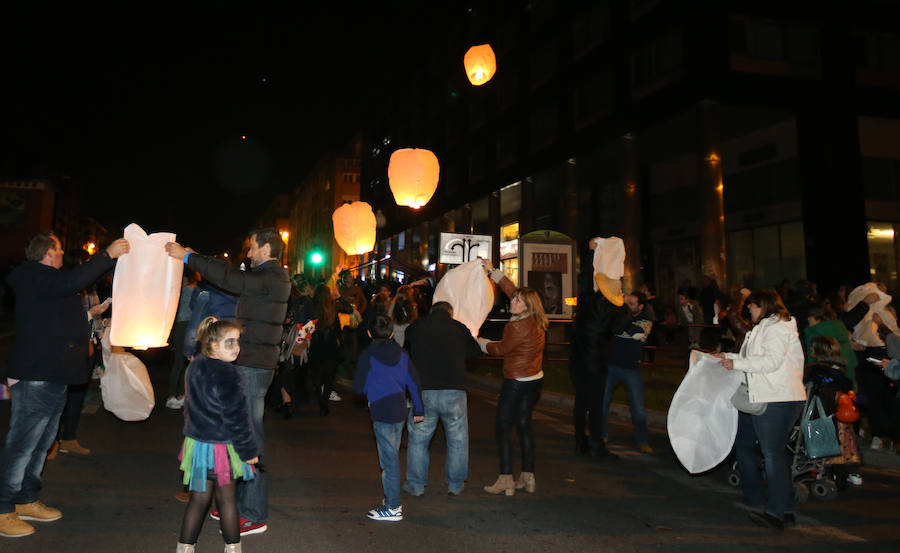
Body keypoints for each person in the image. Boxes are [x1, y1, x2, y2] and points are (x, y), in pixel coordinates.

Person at [0, 231, 129, 538]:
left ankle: (26, 498)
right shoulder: (34, 275)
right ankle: (4, 507)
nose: (62, 255)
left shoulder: (44, 282)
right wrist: (107, 255)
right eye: (58, 250)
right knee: (22, 444)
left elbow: (52, 317)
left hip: (53, 374)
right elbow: (71, 282)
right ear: (48, 253)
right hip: (37, 377)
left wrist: (89, 315)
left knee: (42, 443)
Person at [166, 227, 290, 537]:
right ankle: (234, 501)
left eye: (252, 248)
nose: (248, 254)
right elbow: (232, 277)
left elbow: (230, 278)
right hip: (254, 365)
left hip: (253, 368)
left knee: (249, 437)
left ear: (265, 248)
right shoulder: (270, 278)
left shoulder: (270, 277)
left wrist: (190, 257)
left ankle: (253, 513)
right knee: (238, 437)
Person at [718, 290, 806, 531]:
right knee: (773, 454)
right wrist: (727, 356)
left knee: (773, 455)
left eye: (751, 307)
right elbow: (754, 357)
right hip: (770, 395)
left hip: (777, 397)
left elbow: (770, 361)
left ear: (763, 305)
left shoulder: (778, 327)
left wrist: (736, 363)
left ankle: (776, 513)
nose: (749, 312)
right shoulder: (766, 326)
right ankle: (785, 509)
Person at [176, 317, 259, 553]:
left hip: (198, 444)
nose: (236, 347)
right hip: (223, 447)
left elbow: (188, 405)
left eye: (238, 341)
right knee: (227, 500)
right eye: (229, 342)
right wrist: (249, 451)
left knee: (198, 500)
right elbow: (238, 418)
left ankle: (184, 548)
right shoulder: (229, 374)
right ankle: (233, 548)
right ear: (212, 345)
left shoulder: (194, 366)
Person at [478, 260, 548, 496]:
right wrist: (493, 272)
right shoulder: (536, 318)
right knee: (524, 426)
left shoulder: (517, 327)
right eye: (514, 298)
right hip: (534, 379)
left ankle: (506, 477)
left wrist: (481, 343)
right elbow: (513, 291)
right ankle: (528, 476)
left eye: (517, 301)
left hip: (516, 382)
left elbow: (500, 350)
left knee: (502, 427)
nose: (512, 301)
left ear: (526, 306)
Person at [403, 301, 482, 497]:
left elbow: (407, 350)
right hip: (454, 391)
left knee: (418, 439)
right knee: (457, 439)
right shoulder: (459, 328)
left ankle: (416, 485)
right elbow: (475, 352)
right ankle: (455, 484)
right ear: (450, 313)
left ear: (431, 311)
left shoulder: (416, 327)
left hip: (423, 391)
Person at [352, 314, 424, 522]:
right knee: (391, 455)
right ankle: (391, 499)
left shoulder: (367, 355)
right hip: (400, 410)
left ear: (368, 333)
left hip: (381, 411)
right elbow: (414, 382)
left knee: (389, 460)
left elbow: (358, 387)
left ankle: (393, 506)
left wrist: (371, 387)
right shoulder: (402, 354)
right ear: (392, 332)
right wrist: (418, 409)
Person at [599, 292, 654, 454]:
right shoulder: (619, 316)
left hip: (631, 368)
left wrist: (624, 318)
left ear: (641, 306)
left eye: (632, 303)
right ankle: (601, 434)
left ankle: (642, 439)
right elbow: (610, 331)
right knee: (602, 403)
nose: (627, 305)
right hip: (612, 365)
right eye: (626, 302)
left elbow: (634, 333)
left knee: (638, 408)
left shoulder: (646, 320)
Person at [166, 271, 198, 409]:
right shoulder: (193, 291)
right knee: (184, 362)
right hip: (188, 326)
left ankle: (174, 395)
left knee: (179, 361)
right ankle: (179, 395)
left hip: (182, 325)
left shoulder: (184, 291)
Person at [310, 284, 342, 416]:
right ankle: (325, 403)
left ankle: (320, 399)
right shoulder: (333, 307)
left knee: (316, 375)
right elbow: (338, 328)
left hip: (316, 343)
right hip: (330, 344)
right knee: (329, 376)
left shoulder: (313, 307)